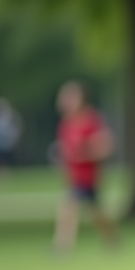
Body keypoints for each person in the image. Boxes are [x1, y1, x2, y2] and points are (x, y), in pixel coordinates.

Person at [53, 81, 120, 253]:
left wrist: (86, 151)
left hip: (90, 176)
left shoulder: (92, 120)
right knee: (78, 209)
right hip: (75, 177)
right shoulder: (66, 123)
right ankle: (64, 245)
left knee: (84, 211)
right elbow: (65, 150)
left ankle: (65, 246)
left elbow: (106, 146)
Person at [0, 97, 23, 176]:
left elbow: (17, 126)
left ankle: (7, 173)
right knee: (0, 159)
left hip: (8, 143)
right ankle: (1, 173)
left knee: (7, 158)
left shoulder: (9, 116)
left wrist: (15, 137)